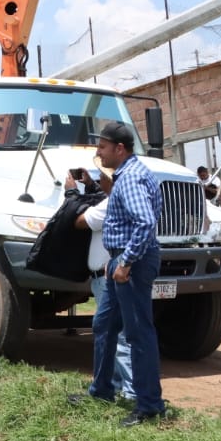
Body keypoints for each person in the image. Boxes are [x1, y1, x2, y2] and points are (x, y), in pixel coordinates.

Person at [84, 121, 164, 427]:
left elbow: (144, 223)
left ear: (120, 149)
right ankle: (102, 390)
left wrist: (126, 262)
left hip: (133, 264)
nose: (98, 152)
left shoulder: (129, 178)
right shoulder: (132, 173)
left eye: (102, 147)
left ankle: (149, 405)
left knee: (137, 333)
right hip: (121, 261)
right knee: (104, 323)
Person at [73, 168, 134, 402]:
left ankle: (129, 391)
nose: (100, 180)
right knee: (115, 331)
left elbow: (81, 221)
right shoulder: (118, 200)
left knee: (116, 334)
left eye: (102, 177)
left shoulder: (109, 204)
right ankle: (118, 386)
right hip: (109, 274)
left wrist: (72, 193)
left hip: (107, 276)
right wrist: (89, 187)